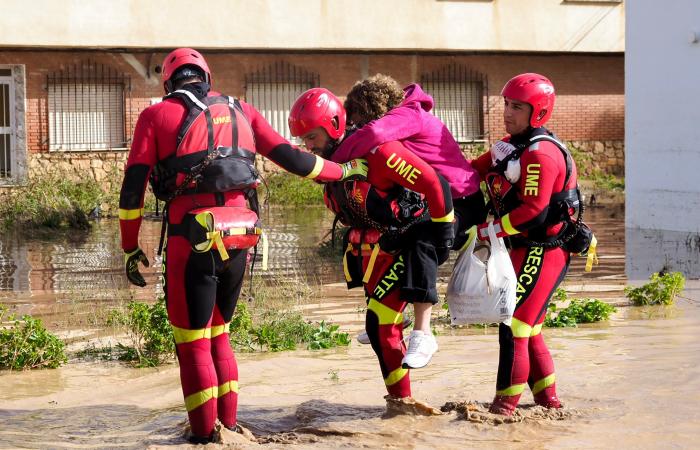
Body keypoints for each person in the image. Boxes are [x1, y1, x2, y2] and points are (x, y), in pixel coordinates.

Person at [118, 48, 367, 444]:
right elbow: (294, 159)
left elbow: (132, 191)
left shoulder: (155, 115)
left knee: (192, 341)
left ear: (169, 82)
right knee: (220, 334)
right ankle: (230, 429)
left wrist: (130, 247)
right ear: (207, 78)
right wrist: (345, 169)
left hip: (191, 238)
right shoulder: (243, 110)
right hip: (241, 238)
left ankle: (203, 438)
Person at [288, 87, 454, 410]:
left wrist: (443, 234)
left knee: (382, 325)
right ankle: (401, 404)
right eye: (303, 140)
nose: (308, 146)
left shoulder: (379, 153)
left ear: (334, 125)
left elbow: (435, 183)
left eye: (311, 137)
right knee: (376, 329)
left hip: (411, 237)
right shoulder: (332, 163)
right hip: (382, 246)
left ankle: (403, 404)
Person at [331, 74, 486, 368]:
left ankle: (423, 332)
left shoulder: (409, 114)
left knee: (422, 241)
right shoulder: (405, 115)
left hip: (463, 201)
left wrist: (332, 163)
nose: (355, 128)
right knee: (392, 237)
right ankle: (392, 316)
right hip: (436, 199)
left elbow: (374, 136)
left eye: (357, 119)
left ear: (371, 110)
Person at [468, 73, 588, 415]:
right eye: (505, 104)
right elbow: (470, 172)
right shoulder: (508, 146)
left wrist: (489, 231)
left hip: (546, 249)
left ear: (538, 112)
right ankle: (550, 405)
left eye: (517, 107)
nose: (507, 112)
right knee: (530, 327)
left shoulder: (541, 154)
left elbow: (534, 212)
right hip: (521, 246)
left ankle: (503, 410)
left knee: (514, 325)